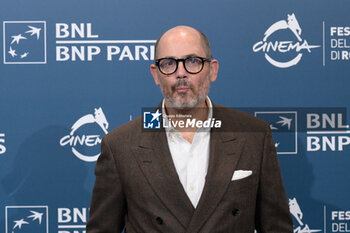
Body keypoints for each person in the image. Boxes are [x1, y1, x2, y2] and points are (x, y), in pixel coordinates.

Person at [86, 25, 293, 233]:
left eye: (192, 61)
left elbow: (277, 228)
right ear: (156, 74)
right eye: (168, 63)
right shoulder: (120, 145)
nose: (181, 73)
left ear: (213, 69)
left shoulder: (253, 135)